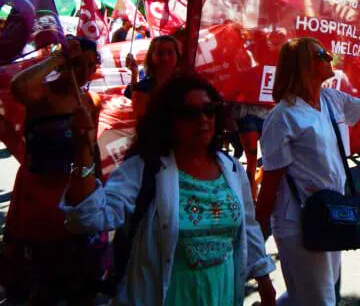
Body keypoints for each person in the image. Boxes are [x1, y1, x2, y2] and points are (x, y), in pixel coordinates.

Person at [61, 76, 276, 305]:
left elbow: (249, 228)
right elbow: (86, 218)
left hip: (222, 294)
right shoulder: (145, 169)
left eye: (209, 110)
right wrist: (83, 150)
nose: (202, 120)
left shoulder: (232, 168)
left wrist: (265, 283)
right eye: (189, 113)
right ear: (168, 120)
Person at [255, 37, 360, 305]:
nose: (329, 58)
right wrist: (257, 260)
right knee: (321, 298)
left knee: (311, 294)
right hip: (299, 223)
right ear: (303, 64)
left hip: (331, 214)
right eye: (321, 54)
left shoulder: (331, 98)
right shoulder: (282, 117)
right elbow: (268, 190)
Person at [3, 37, 102, 305]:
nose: (87, 71)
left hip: (76, 194)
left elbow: (92, 151)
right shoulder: (43, 94)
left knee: (79, 280)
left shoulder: (89, 100)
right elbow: (18, 87)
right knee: (41, 283)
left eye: (93, 65)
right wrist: (58, 57)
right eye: (82, 64)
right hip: (39, 199)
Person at [125, 35, 181, 119]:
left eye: (170, 52)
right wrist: (134, 72)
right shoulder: (142, 88)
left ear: (177, 56)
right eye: (160, 53)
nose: (165, 58)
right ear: (151, 57)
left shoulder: (187, 86)